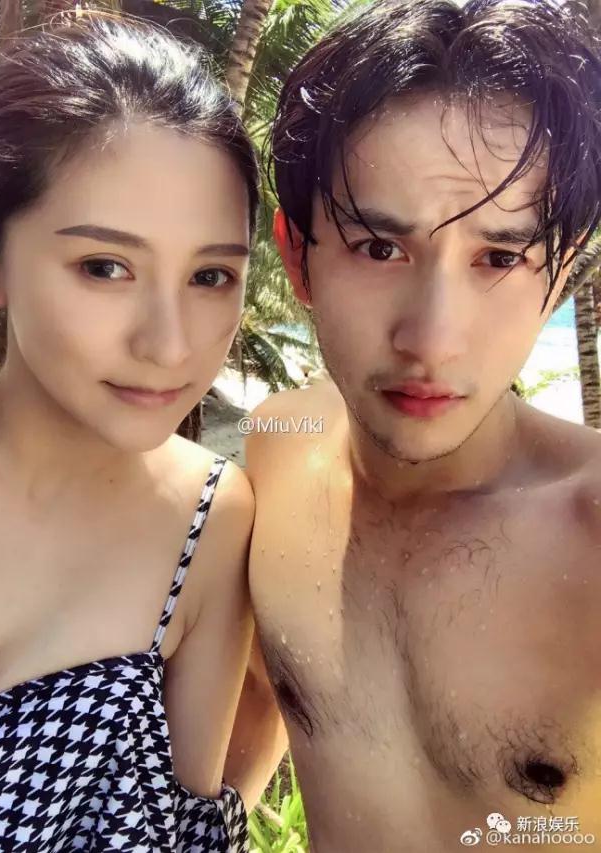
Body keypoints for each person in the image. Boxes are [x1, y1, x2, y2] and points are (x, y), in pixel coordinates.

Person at [246, 1, 601, 850]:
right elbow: (256, 706)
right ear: (296, 256)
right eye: (379, 248)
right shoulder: (273, 453)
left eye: (500, 257)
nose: (433, 339)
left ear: (557, 278)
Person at [0, 13, 277, 852]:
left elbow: (183, 830)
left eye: (211, 276)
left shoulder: (210, 521)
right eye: (106, 267)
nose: (169, 346)